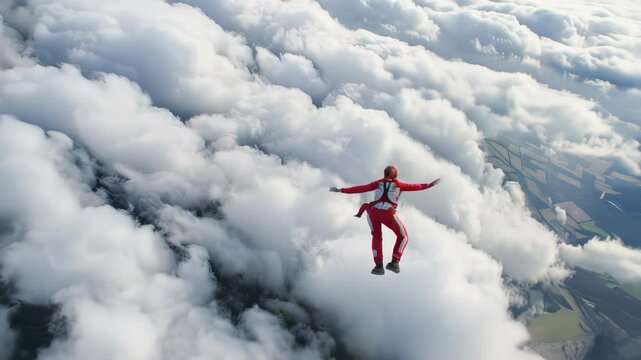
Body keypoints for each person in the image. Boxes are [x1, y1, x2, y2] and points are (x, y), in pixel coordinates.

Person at [330, 166, 440, 275]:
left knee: (376, 237)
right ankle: (394, 262)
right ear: (396, 174)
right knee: (403, 237)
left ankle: (378, 266)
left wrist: (341, 190)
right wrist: (430, 184)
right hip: (388, 214)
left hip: (373, 213)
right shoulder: (399, 185)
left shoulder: (377, 183)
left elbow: (361, 188)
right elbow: (417, 187)